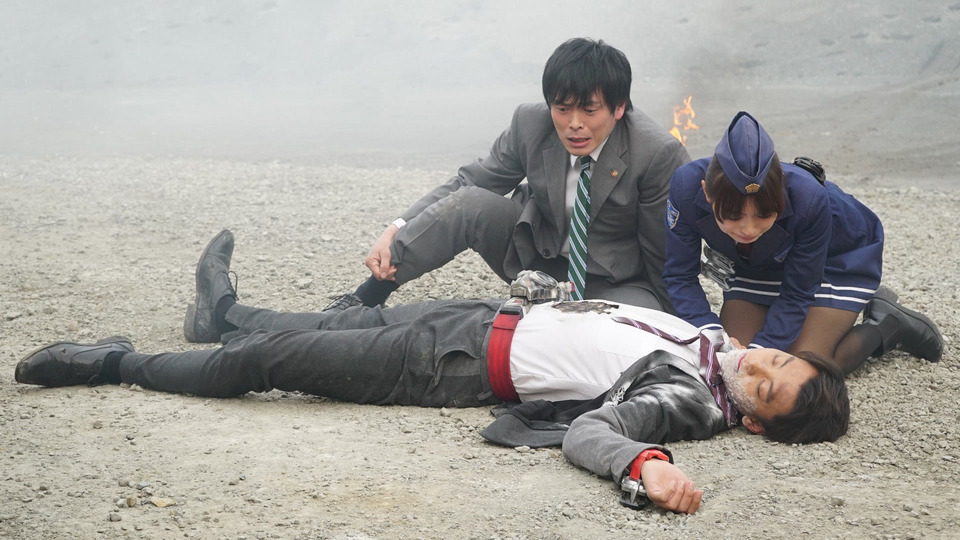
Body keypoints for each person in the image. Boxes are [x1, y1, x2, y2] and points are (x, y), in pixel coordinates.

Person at [17, 230, 850, 515]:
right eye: (777, 359)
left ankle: (112, 363)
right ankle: (218, 313)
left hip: (447, 363)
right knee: (324, 324)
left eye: (766, 386)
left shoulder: (687, 398)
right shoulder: (709, 348)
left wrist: (644, 466)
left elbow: (597, 430)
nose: (759, 362)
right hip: (479, 318)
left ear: (753, 421)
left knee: (270, 364)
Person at [309, 37, 689, 319]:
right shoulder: (530, 124)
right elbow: (470, 182)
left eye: (589, 111)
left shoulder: (656, 153)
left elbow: (664, 252)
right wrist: (397, 227)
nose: (574, 124)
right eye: (562, 108)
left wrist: (680, 328)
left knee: (625, 327)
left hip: (616, 284)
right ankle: (365, 298)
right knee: (470, 202)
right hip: (537, 259)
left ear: (618, 107)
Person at [663, 111, 943, 375]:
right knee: (731, 366)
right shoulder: (685, 187)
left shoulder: (809, 197)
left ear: (781, 193)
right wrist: (708, 331)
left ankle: (887, 323)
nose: (748, 229)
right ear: (707, 194)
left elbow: (798, 292)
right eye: (733, 216)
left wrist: (763, 350)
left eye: (764, 214)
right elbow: (680, 275)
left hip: (837, 259)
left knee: (800, 369)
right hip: (757, 263)